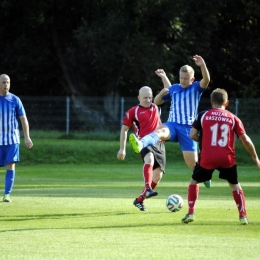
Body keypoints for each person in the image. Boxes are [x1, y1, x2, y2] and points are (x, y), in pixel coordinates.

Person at [129, 55, 211, 188]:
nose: (183, 81)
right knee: (160, 130)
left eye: (186, 79)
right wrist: (161, 94)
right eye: (181, 78)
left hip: (188, 129)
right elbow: (156, 102)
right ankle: (140, 143)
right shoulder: (174, 88)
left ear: (192, 79)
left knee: (193, 164)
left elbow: (206, 80)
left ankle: (205, 176)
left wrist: (202, 65)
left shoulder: (196, 88)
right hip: (172, 125)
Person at [181, 88, 260, 225]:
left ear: (211, 102)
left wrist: (204, 140)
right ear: (227, 103)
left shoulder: (203, 115)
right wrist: (255, 157)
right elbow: (245, 139)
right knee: (235, 185)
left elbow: (192, 135)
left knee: (194, 181)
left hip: (207, 157)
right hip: (227, 158)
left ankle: (191, 213)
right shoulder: (233, 118)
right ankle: (243, 216)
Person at [117, 86, 166, 211]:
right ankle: (147, 187)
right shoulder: (133, 112)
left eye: (150, 97)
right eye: (145, 98)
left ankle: (139, 200)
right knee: (149, 159)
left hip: (159, 142)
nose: (148, 100)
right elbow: (124, 129)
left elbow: (167, 89)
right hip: (143, 142)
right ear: (139, 98)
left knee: (158, 176)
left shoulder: (156, 107)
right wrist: (122, 149)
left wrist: (163, 76)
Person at [0, 74, 33, 202]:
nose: (6, 85)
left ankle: (7, 194)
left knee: (11, 165)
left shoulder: (15, 100)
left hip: (12, 140)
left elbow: (23, 119)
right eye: (3, 82)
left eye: (7, 82)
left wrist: (27, 137)